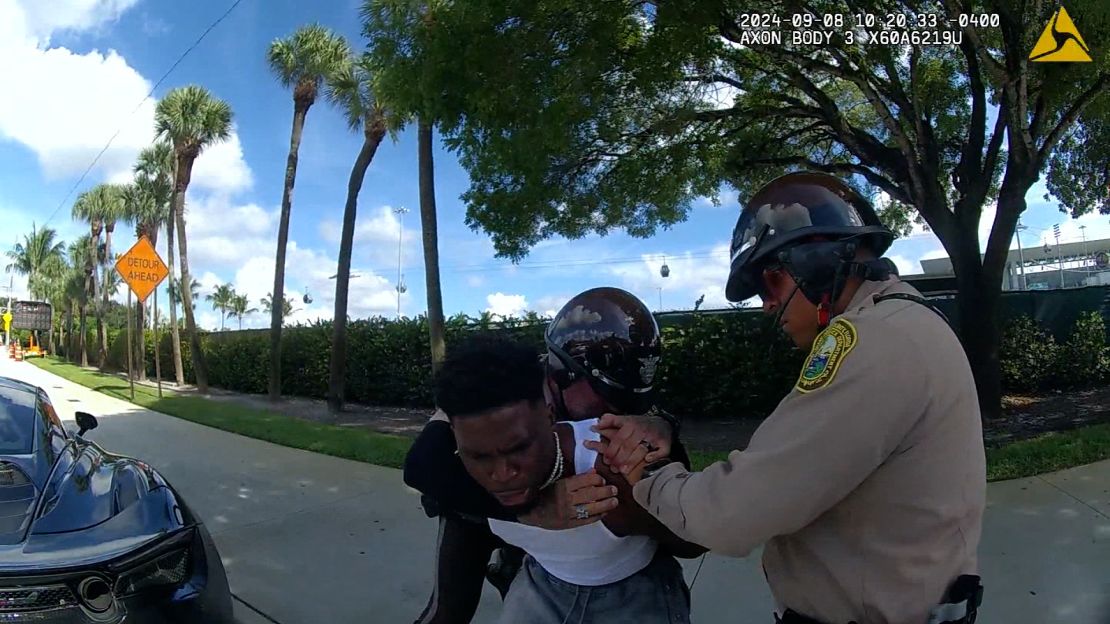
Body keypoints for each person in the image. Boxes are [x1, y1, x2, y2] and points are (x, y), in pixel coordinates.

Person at [595, 172, 987, 624]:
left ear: (816, 262)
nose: (766, 305)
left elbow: (732, 514)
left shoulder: (873, 343)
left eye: (771, 283)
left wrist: (649, 471)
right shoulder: (908, 322)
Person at [405, 287, 690, 624]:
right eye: (606, 399)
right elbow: (422, 462)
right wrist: (533, 509)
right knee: (448, 609)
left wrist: (660, 426)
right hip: (497, 520)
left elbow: (682, 506)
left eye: (631, 403)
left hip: (605, 568)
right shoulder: (499, 386)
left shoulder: (617, 407)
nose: (615, 414)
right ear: (559, 377)